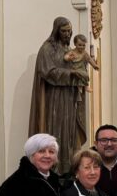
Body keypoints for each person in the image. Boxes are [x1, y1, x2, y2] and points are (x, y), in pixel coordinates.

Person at [29, 17, 89, 173]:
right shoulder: (47, 49)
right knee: (55, 129)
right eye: (63, 31)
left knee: (69, 132)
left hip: (69, 97)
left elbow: (79, 65)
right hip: (54, 99)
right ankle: (54, 168)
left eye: (69, 31)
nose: (67, 34)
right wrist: (71, 74)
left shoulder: (69, 50)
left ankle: (68, 167)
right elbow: (47, 71)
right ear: (56, 31)